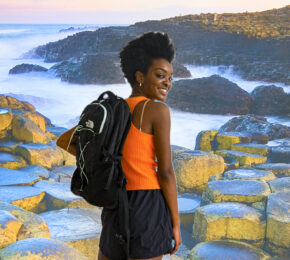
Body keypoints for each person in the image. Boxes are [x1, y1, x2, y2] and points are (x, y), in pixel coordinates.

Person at [57, 31, 181, 260]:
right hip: (147, 205)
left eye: (170, 78)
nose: (168, 83)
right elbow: (165, 173)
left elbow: (67, 142)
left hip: (114, 203)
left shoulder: (113, 109)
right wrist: (175, 222)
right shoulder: (156, 111)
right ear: (140, 76)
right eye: (161, 75)